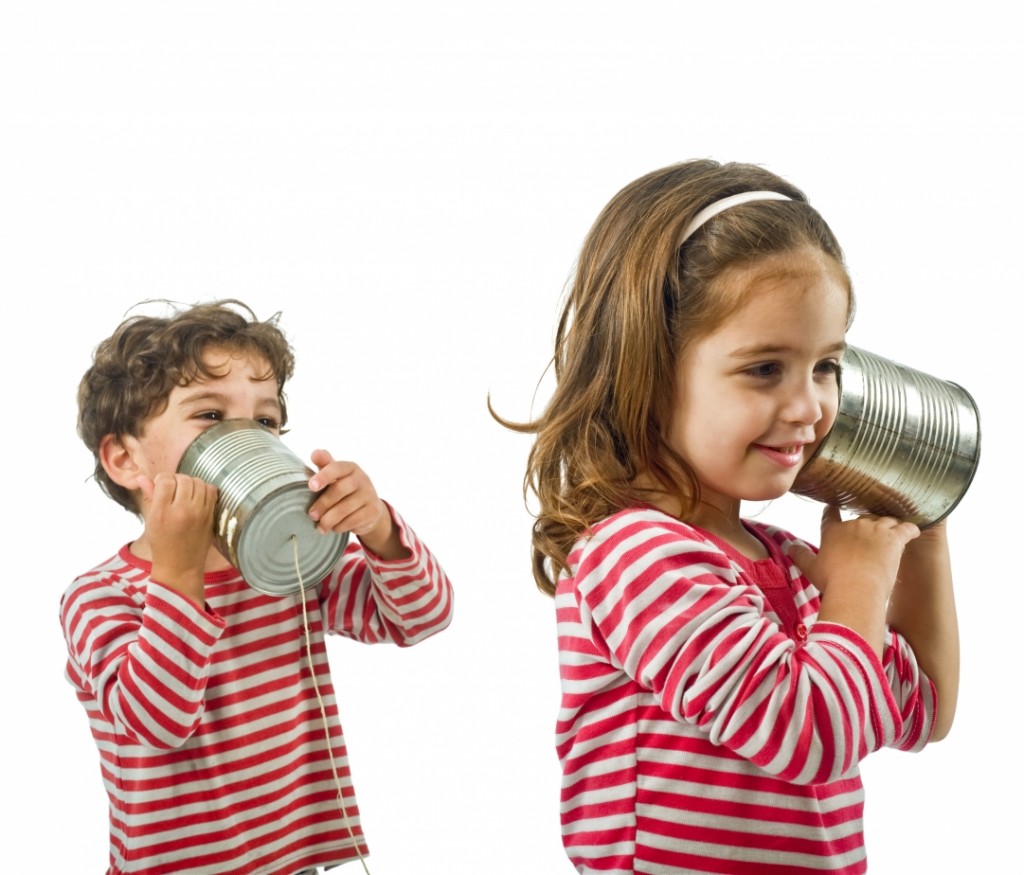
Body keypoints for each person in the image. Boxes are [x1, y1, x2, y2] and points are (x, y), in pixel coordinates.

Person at [504, 160, 959, 874]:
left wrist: (918, 515)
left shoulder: (787, 563)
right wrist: (860, 586)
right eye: (765, 368)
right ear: (648, 370)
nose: (810, 406)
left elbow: (921, 709)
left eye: (827, 366)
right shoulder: (636, 554)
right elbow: (807, 733)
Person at [62, 300, 454, 875]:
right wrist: (177, 573)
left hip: (293, 861)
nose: (248, 437)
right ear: (126, 459)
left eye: (265, 423)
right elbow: (157, 722)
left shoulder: (290, 568)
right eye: (211, 418)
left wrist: (375, 527)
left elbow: (421, 616)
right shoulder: (101, 595)